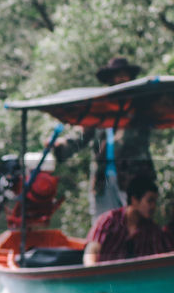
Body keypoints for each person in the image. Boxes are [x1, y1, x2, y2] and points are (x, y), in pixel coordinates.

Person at [54, 56, 155, 216]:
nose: (120, 79)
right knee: (104, 223)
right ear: (110, 79)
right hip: (103, 180)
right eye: (116, 75)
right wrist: (61, 147)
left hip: (133, 180)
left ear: (130, 77)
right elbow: (83, 136)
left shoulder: (139, 106)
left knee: (135, 223)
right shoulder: (100, 108)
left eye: (123, 75)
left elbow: (140, 134)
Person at [82, 175, 173, 264]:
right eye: (150, 201)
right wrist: (94, 273)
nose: (153, 206)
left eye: (155, 202)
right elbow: (92, 251)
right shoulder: (108, 220)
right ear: (134, 200)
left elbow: (162, 260)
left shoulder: (153, 230)